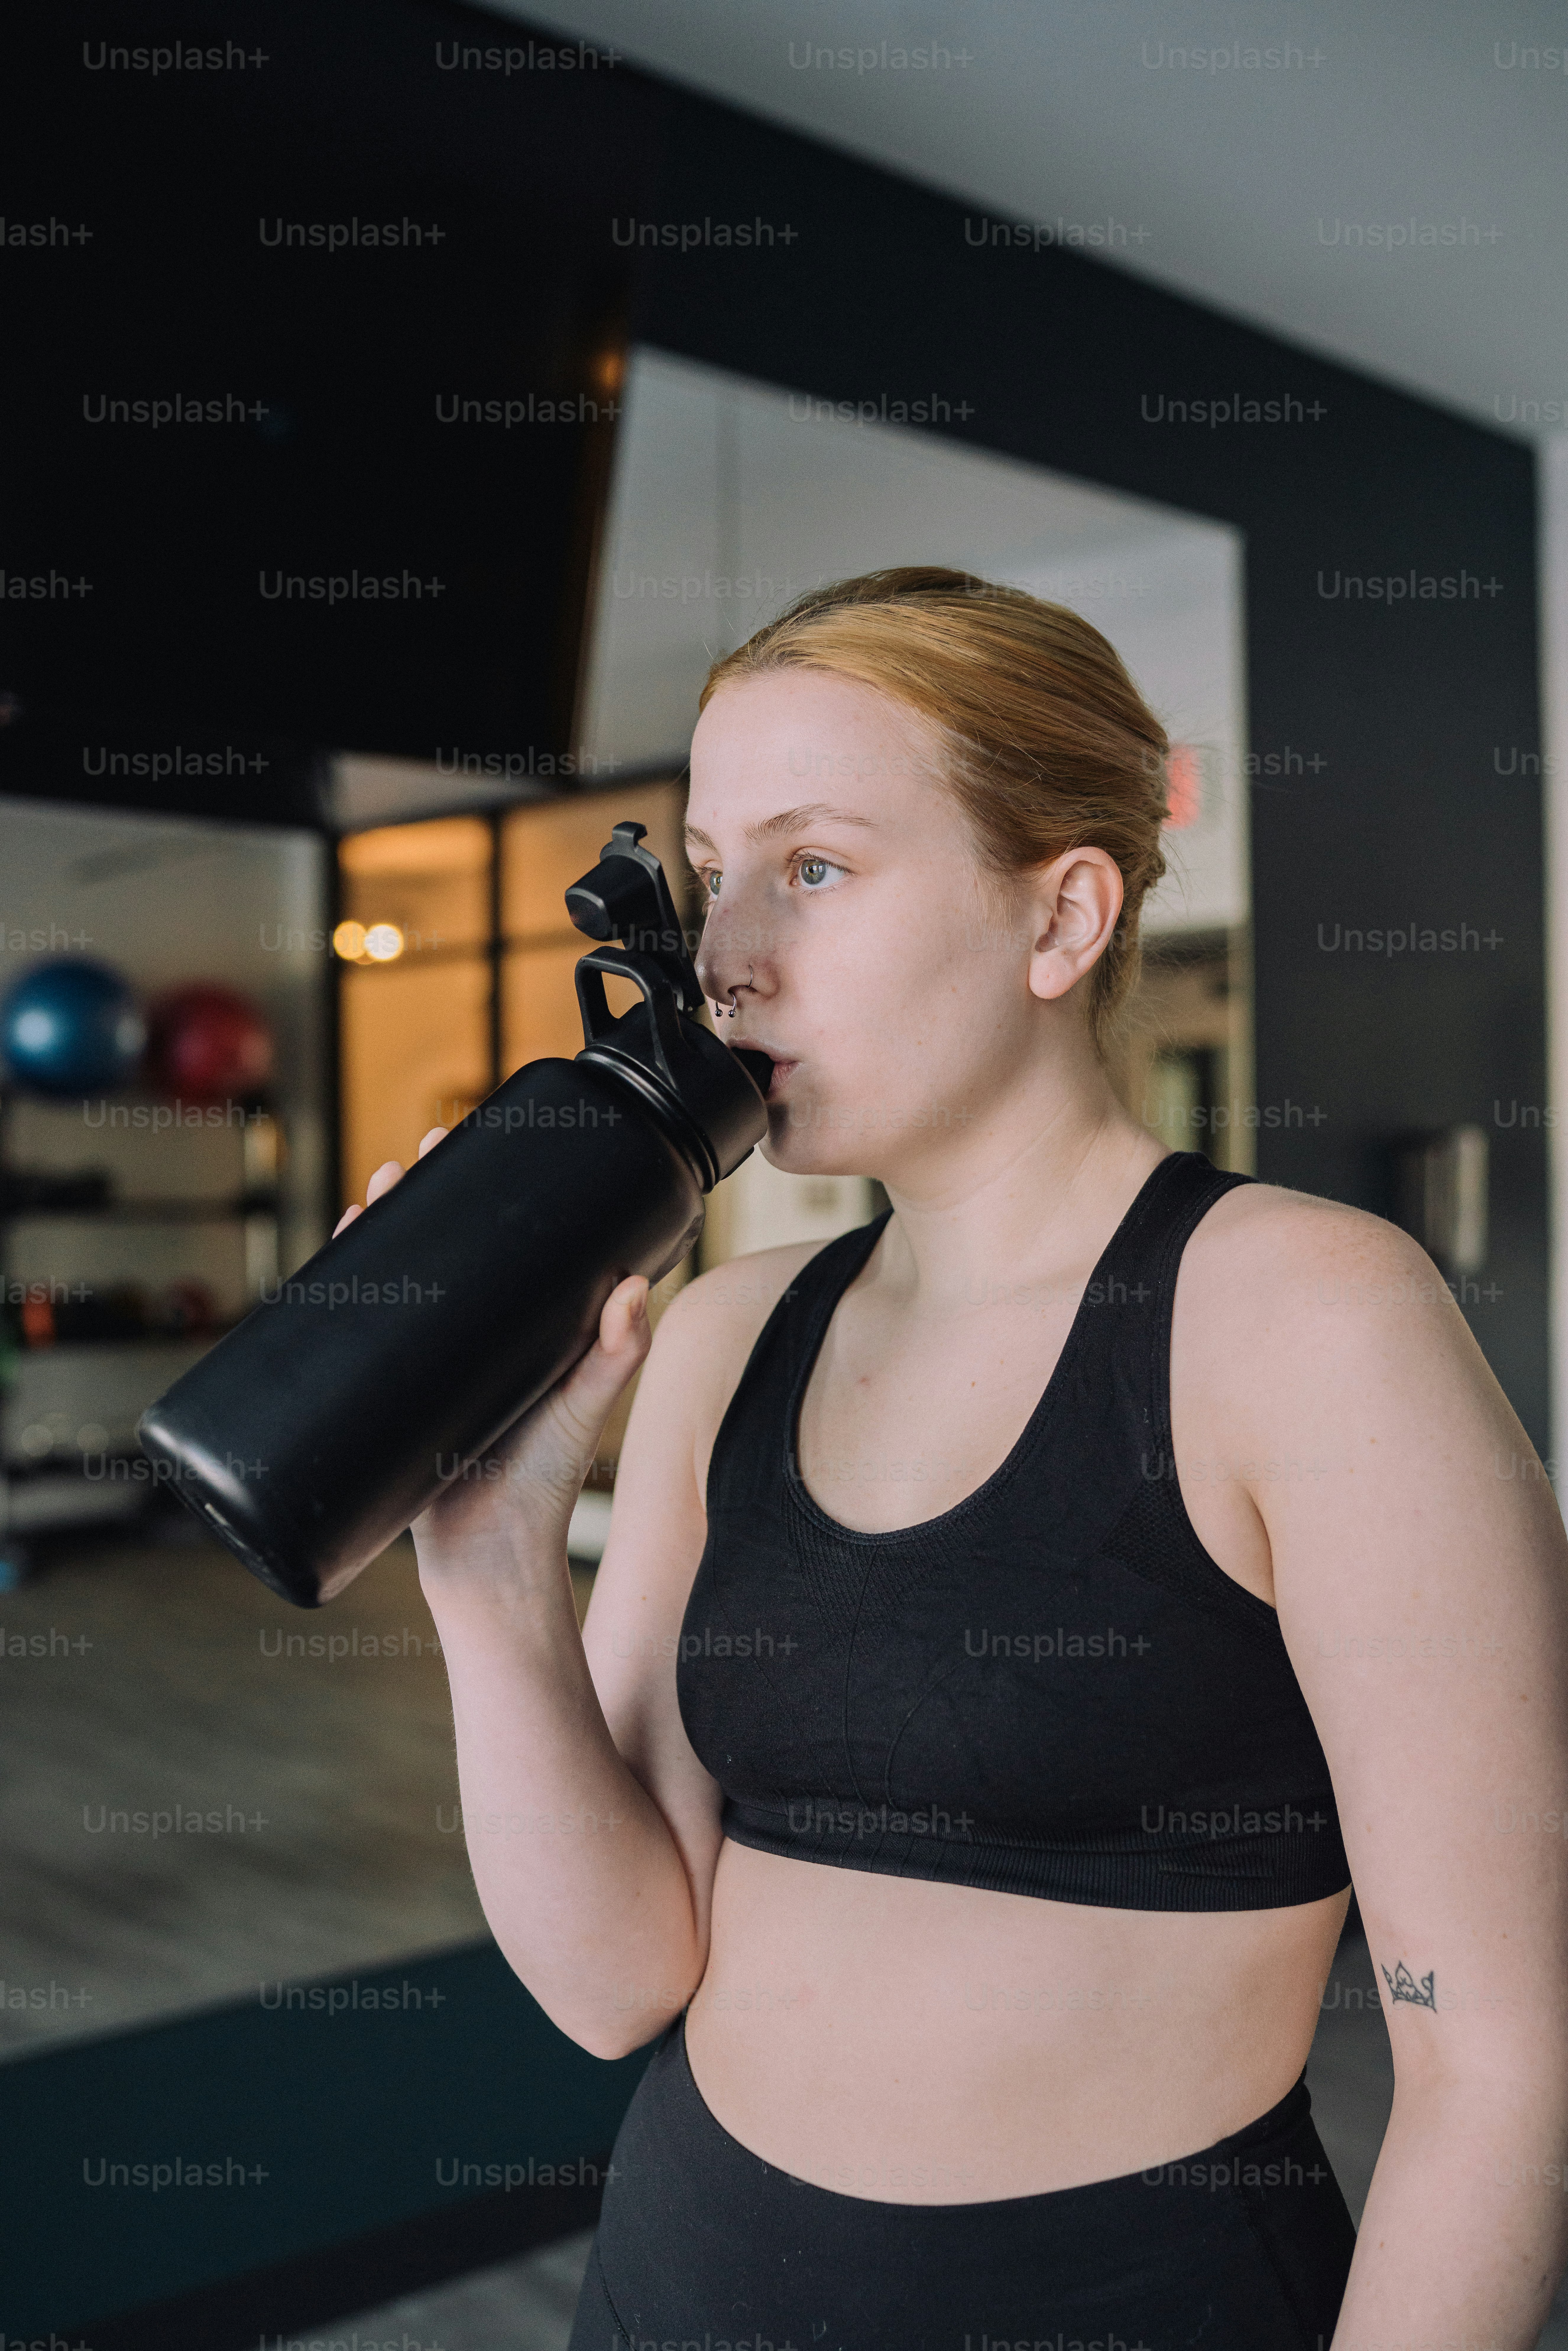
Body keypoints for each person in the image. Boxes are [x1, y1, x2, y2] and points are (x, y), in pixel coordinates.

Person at [343, 569, 1568, 2349]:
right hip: (677, 2285)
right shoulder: (723, 1335)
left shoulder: (1306, 1321)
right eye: (710, 874)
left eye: (814, 866)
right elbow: (615, 1987)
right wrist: (490, 1570)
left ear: (1060, 914)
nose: (724, 955)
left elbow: (1502, 2067)